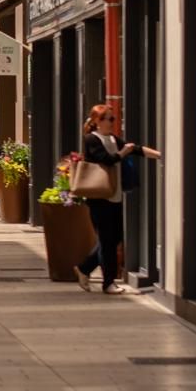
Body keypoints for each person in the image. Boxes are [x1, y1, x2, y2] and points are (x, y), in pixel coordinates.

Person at [75, 104, 161, 295]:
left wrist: (160, 156)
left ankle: (84, 268)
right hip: (99, 197)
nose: (112, 122)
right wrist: (123, 153)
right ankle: (108, 283)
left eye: (113, 118)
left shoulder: (113, 139)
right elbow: (106, 159)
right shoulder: (91, 139)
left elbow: (136, 149)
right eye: (109, 118)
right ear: (97, 121)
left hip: (114, 196)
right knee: (107, 242)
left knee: (114, 240)